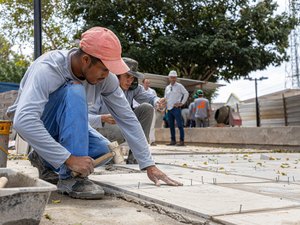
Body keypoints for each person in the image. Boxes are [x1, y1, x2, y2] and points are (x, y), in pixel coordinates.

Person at [7, 27, 182, 200]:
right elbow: (24, 121)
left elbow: (128, 118)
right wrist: (68, 158)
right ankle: (72, 179)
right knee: (75, 89)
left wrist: (148, 164)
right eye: (104, 69)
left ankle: (43, 158)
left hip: (61, 129)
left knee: (103, 150)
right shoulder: (48, 68)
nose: (107, 75)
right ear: (85, 59)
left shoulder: (107, 79)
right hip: (41, 122)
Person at [89, 57, 166, 163]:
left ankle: (136, 157)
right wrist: (102, 118)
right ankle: (105, 150)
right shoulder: (101, 87)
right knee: (109, 156)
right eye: (127, 76)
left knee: (146, 108)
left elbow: (151, 98)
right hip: (101, 130)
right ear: (117, 75)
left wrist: (158, 102)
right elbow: (84, 118)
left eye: (133, 78)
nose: (130, 81)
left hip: (123, 127)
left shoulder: (133, 88)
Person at [164, 70, 189, 146]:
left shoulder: (179, 86)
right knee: (171, 125)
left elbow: (186, 93)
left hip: (176, 108)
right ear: (169, 78)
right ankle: (173, 141)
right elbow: (165, 98)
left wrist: (181, 103)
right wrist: (164, 107)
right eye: (172, 77)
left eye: (174, 77)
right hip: (169, 109)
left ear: (176, 78)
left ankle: (182, 141)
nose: (173, 79)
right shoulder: (167, 87)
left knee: (180, 125)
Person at [142, 78, 158, 146]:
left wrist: (157, 107)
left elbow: (155, 99)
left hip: (152, 109)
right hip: (142, 109)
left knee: (152, 125)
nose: (147, 84)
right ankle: (143, 141)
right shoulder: (140, 90)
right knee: (141, 125)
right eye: (146, 83)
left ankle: (152, 141)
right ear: (143, 83)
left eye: (149, 83)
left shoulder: (152, 91)